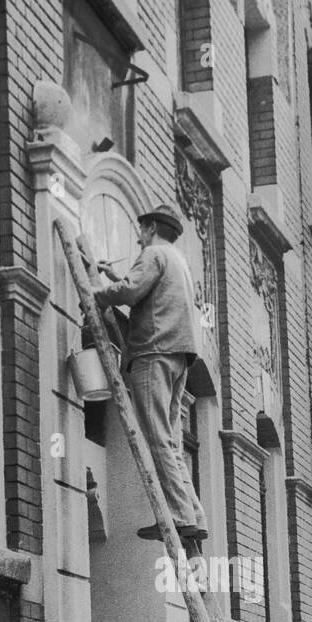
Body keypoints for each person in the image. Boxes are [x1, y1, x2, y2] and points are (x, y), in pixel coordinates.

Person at [94, 203, 208, 543]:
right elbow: (148, 295)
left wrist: (97, 295)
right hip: (178, 356)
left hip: (153, 352)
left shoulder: (154, 254)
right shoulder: (177, 261)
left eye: (141, 230)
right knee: (170, 439)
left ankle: (178, 516)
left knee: (157, 437)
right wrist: (117, 279)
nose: (139, 238)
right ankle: (194, 515)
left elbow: (131, 292)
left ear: (151, 228)